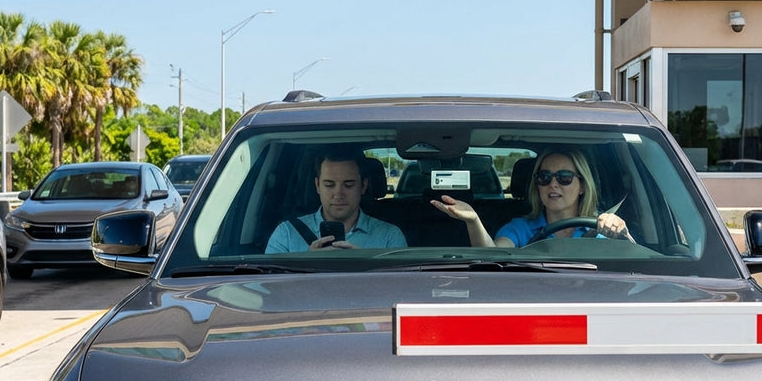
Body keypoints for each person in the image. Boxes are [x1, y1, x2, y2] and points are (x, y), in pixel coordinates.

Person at [431, 148, 629, 247]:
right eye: (544, 177)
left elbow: (635, 269)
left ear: (583, 186)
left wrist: (621, 233)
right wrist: (473, 221)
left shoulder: (601, 228)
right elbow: (493, 256)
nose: (553, 184)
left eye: (564, 177)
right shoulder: (521, 228)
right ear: (537, 185)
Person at [266, 147, 407, 252]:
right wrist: (307, 264)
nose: (338, 194)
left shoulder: (389, 237)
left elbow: (399, 284)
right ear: (317, 186)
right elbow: (271, 283)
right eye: (329, 185)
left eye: (348, 185)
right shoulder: (286, 234)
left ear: (363, 186)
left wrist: (363, 266)